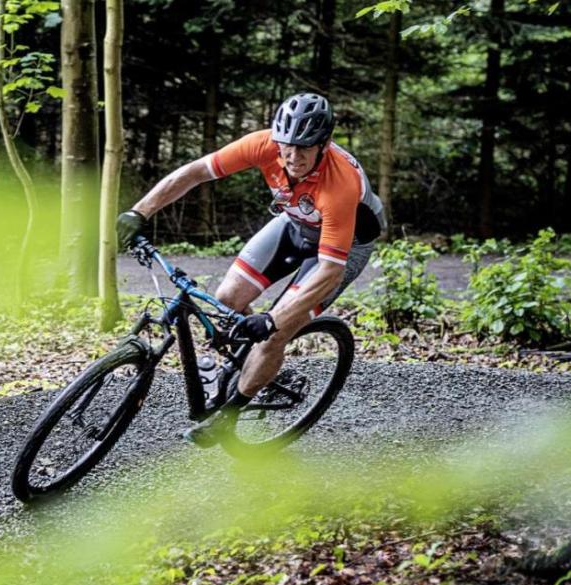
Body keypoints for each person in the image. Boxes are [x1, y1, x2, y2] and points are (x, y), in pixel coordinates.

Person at [115, 92, 387, 445]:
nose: (292, 156)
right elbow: (195, 172)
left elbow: (330, 272)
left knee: (276, 331)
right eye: (287, 145)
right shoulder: (263, 145)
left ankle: (230, 415)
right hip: (294, 225)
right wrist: (140, 211)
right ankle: (246, 358)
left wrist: (274, 321)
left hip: (343, 249)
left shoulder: (339, 183)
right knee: (227, 298)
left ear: (325, 144)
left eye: (304, 148)